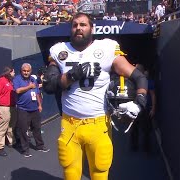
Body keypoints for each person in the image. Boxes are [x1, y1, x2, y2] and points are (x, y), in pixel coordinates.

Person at [43, 12, 148, 180]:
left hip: (99, 124)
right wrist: (73, 75)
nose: (78, 28)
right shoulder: (60, 50)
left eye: (83, 24)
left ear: (92, 28)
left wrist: (139, 102)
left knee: (100, 172)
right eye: (75, 25)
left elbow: (138, 77)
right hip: (70, 124)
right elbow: (49, 85)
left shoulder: (106, 48)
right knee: (70, 172)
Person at [13, 63, 49, 158]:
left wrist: (39, 104)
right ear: (21, 71)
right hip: (23, 109)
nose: (26, 72)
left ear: (30, 71)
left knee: (37, 128)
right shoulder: (17, 79)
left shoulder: (33, 79)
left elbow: (37, 93)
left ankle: (40, 146)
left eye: (28, 71)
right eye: (24, 71)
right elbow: (17, 91)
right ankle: (25, 150)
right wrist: (29, 87)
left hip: (34, 108)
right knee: (23, 130)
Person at [130, 64, 157, 153]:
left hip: (146, 108)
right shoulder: (133, 81)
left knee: (146, 130)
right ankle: (134, 147)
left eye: (137, 69)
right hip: (135, 107)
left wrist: (153, 108)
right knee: (134, 128)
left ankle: (147, 149)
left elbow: (153, 95)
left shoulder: (148, 81)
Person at [0, 66, 17, 156]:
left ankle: (11, 142)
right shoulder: (1, 81)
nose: (14, 74)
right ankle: (0, 147)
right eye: (13, 72)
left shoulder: (11, 82)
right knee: (2, 127)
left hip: (12, 107)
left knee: (11, 126)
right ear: (9, 72)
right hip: (4, 107)